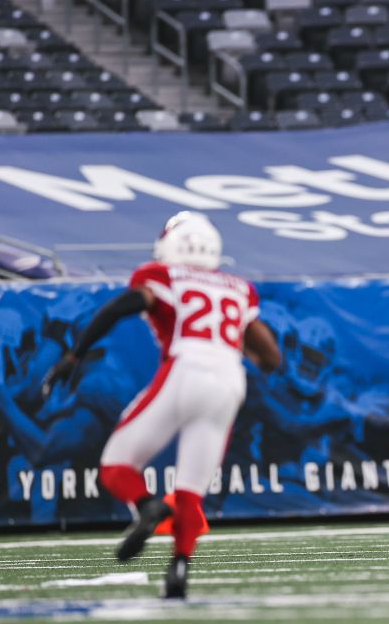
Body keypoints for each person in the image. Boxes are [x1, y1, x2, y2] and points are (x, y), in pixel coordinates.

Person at [43, 211, 281, 598]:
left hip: (185, 368)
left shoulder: (162, 276)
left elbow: (122, 306)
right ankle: (179, 567)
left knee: (116, 465)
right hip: (229, 380)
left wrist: (75, 355)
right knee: (191, 488)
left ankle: (148, 506)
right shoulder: (239, 287)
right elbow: (270, 357)